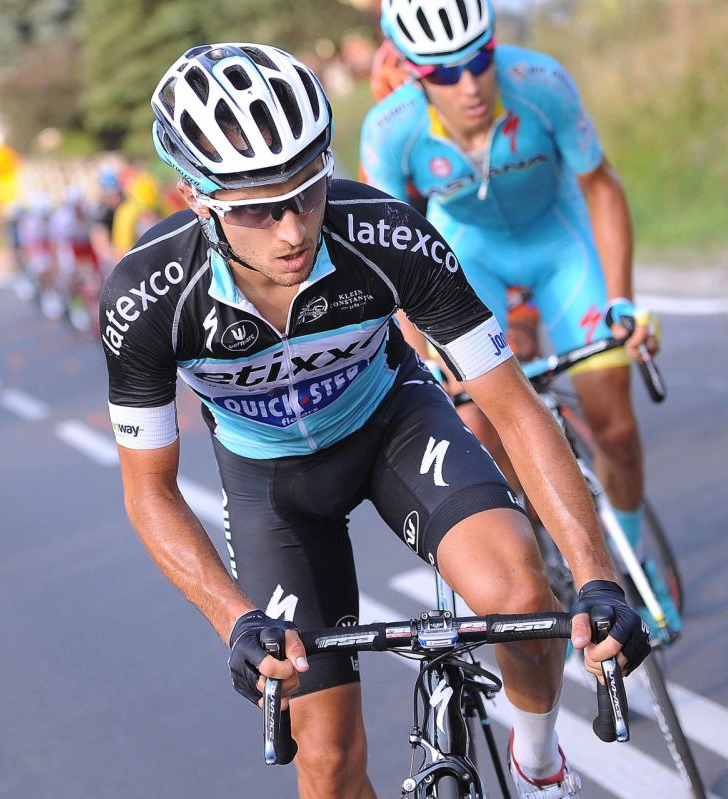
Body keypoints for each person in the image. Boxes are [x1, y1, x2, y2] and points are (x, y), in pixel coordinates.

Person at [102, 42, 649, 799]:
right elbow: (149, 492)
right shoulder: (148, 299)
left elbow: (515, 409)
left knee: (522, 597)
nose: (292, 231)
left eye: (309, 191)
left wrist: (596, 575)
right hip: (272, 488)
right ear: (196, 197)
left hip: (394, 425)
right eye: (258, 209)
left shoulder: (385, 234)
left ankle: (539, 764)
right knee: (327, 761)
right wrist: (233, 618)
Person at [362, 0, 677, 635]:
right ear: (413, 73)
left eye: (479, 60)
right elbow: (390, 252)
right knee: (479, 424)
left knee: (615, 425)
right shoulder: (390, 130)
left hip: (561, 246)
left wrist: (621, 299)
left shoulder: (541, 81)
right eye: (444, 73)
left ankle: (632, 562)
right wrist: (421, 351)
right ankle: (541, 559)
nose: (469, 84)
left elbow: (602, 186)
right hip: (468, 256)